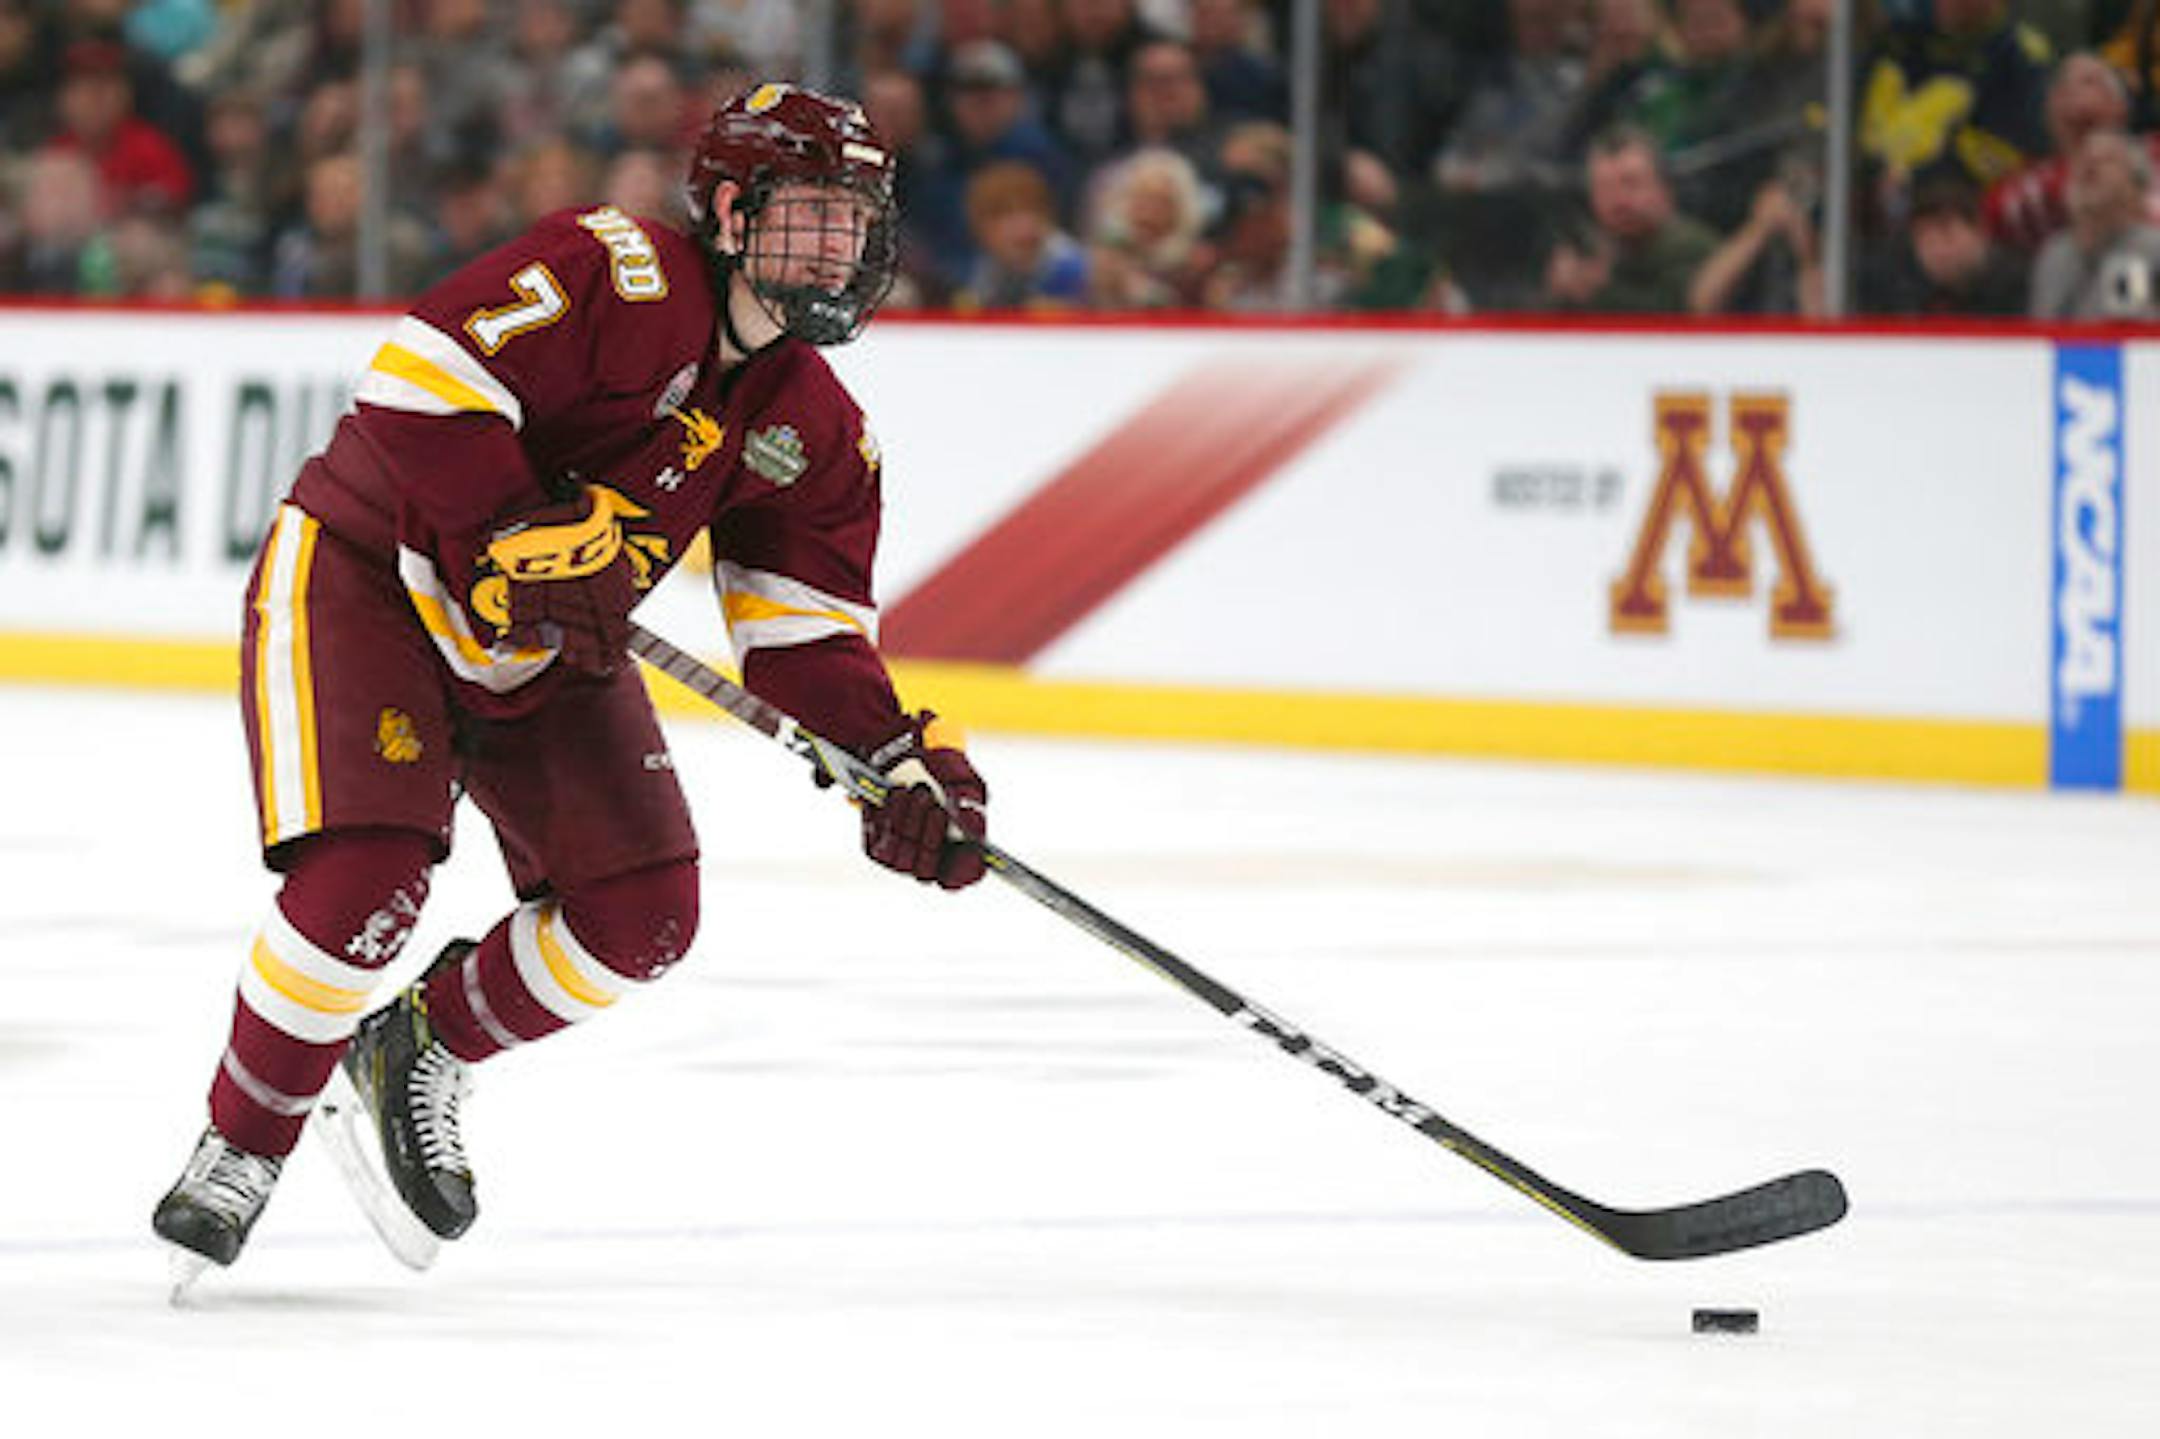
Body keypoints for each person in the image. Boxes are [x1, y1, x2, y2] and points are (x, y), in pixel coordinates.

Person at [150, 83, 993, 1275]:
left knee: (644, 912)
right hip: (375, 576)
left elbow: (803, 636)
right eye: (813, 212)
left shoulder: (814, 426)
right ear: (730, 210)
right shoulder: (616, 273)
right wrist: (509, 526)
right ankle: (243, 1141)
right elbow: (419, 377)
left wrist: (896, 759)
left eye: (855, 221)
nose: (838, 247)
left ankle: (418, 1046)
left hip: (549, 639)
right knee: (366, 884)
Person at [2030, 126, 2160, 318]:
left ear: (2136, 187)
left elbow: (2131, 325)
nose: (2089, 166)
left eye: (2106, 160)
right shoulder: (2054, 254)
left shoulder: (2152, 249)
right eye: (2082, 160)